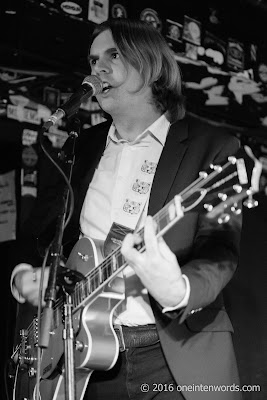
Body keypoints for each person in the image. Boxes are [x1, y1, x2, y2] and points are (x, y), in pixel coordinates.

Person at [11, 19, 242, 400]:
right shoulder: (81, 148)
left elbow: (221, 251)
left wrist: (178, 289)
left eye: (112, 55)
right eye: (92, 59)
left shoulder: (211, 147)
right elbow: (41, 236)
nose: (96, 68)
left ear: (150, 65)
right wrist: (23, 275)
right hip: (84, 356)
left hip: (172, 356)